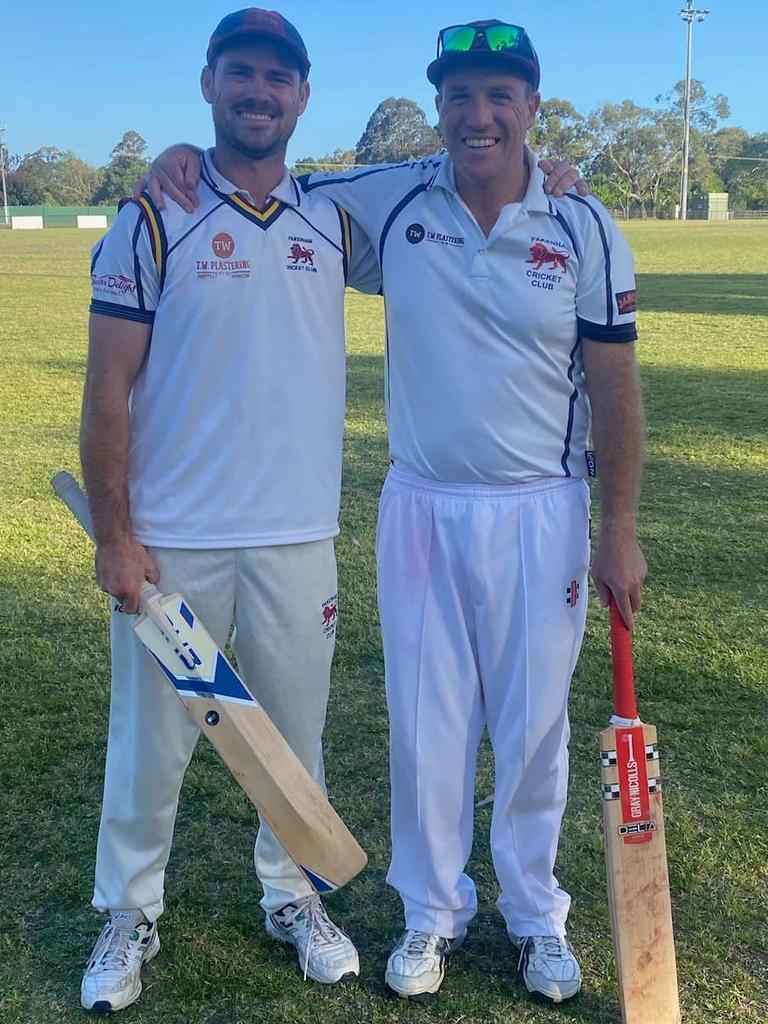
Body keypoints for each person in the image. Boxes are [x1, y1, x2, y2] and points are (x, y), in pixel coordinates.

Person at [140, 17, 608, 1008]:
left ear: (531, 105)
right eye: (460, 96)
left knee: (533, 727)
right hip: (424, 502)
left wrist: (629, 528)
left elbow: (621, 384)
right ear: (439, 108)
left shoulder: (581, 219)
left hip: (541, 506)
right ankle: (432, 913)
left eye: (500, 95)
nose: (478, 115)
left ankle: (535, 913)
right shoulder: (394, 198)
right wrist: (185, 155)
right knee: (426, 725)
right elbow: (267, 189)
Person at [78, 9, 382, 1012]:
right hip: (175, 538)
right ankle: (129, 908)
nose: (260, 93)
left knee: (293, 736)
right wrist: (118, 534)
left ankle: (294, 896)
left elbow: (461, 192)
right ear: (210, 83)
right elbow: (108, 390)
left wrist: (554, 175)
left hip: (298, 529)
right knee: (151, 739)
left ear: (303, 96)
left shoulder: (334, 219)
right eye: (242, 74)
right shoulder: (154, 213)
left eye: (279, 79)